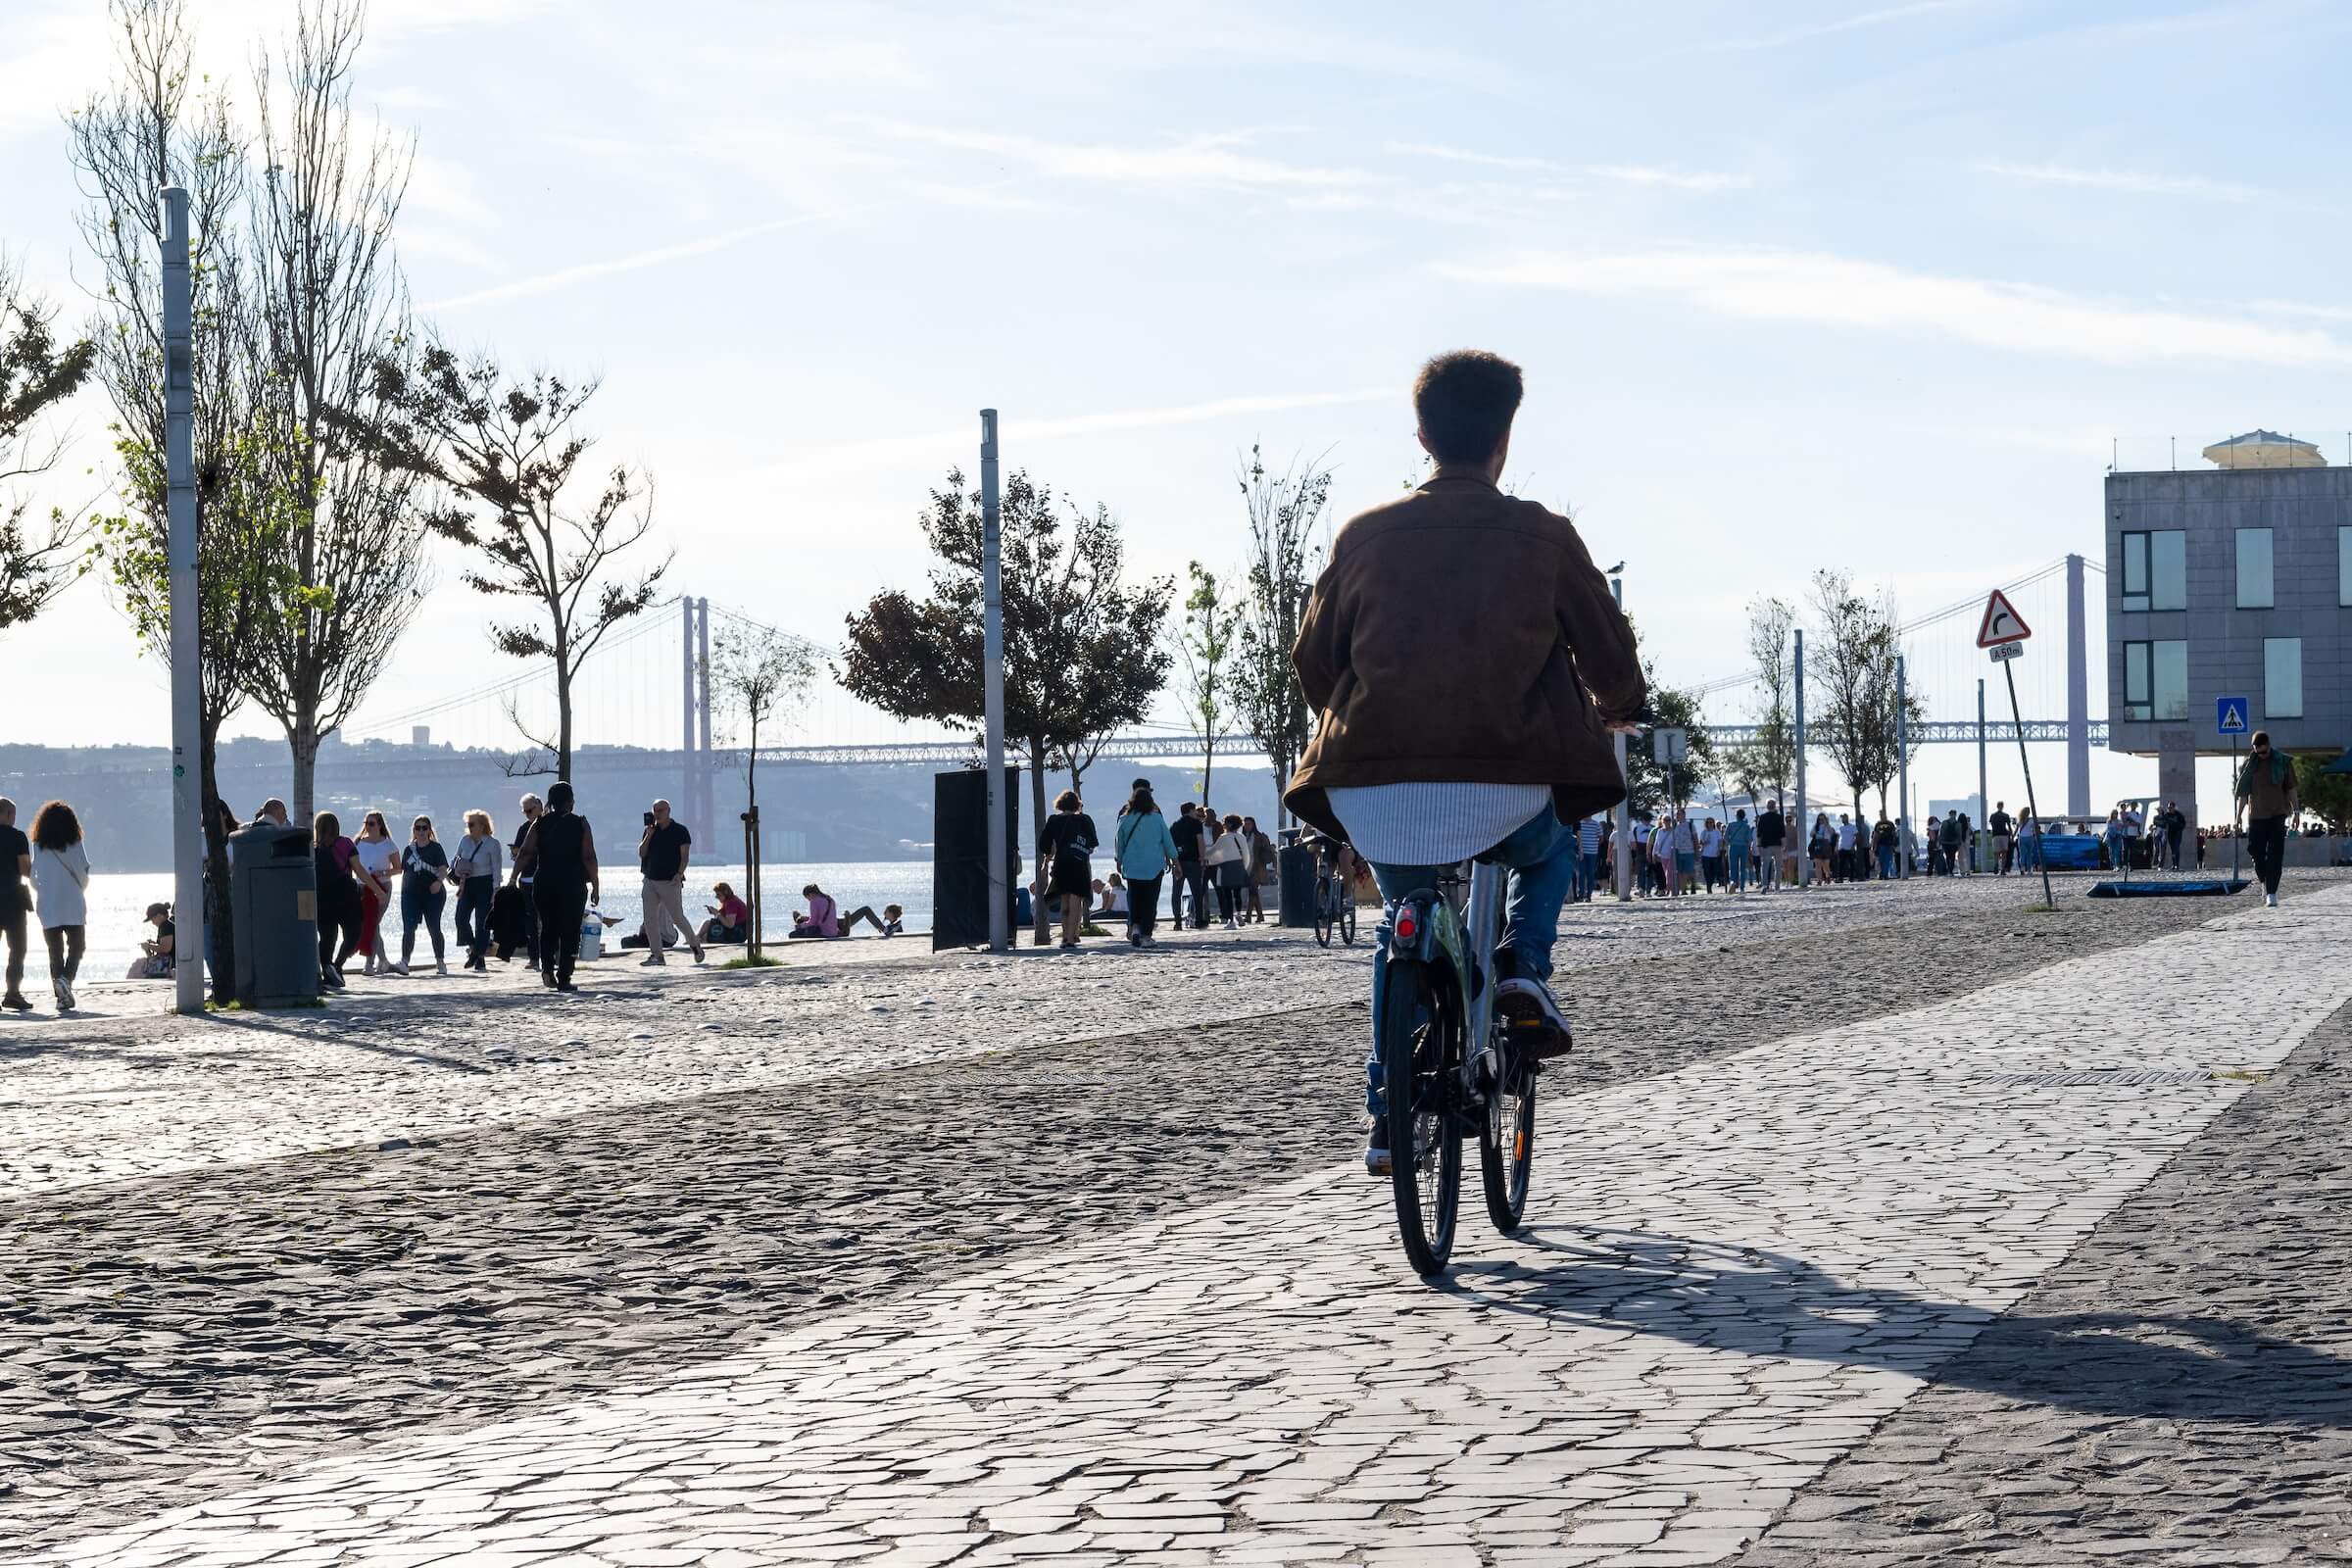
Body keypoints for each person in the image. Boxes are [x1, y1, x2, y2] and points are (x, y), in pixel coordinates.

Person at [1284, 349, 1644, 1174]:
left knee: (1397, 931)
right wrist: (1619, 703)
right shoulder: (1544, 536)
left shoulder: (1364, 535)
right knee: (1550, 850)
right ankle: (1523, 967)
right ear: (1505, 439)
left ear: (1421, 435)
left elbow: (1313, 662)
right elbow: (1609, 655)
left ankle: (1389, 1113)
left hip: (1376, 790)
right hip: (1507, 789)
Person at [513, 780, 598, 991]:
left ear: (550, 801)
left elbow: (525, 852)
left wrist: (513, 876)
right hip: (572, 883)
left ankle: (547, 969)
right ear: (571, 801)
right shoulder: (580, 824)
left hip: (545, 881)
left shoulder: (539, 823)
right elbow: (588, 856)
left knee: (548, 927)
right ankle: (565, 977)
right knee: (570, 931)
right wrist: (596, 884)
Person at [27, 801, 89, 1011]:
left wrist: (43, 891)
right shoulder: (75, 842)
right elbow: (83, 870)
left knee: (55, 952)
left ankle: (62, 995)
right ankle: (66, 982)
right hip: (72, 901)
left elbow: (33, 877)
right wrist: (81, 887)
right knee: (78, 947)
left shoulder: (38, 845)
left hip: (48, 904)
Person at [635, 799, 705, 966]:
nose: (657, 814)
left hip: (669, 881)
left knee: (677, 917)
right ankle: (657, 955)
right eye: (655, 811)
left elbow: (685, 856)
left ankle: (695, 945)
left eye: (661, 810)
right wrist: (648, 836)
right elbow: (642, 853)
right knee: (650, 919)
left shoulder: (680, 831)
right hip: (650, 880)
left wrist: (680, 873)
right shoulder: (650, 831)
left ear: (668, 811)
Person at [2235, 730, 2299, 906]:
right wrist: (2238, 816)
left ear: (2269, 746)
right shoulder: (2249, 765)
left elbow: (2292, 789)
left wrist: (2297, 812)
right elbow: (2243, 793)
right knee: (2255, 851)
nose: (2261, 755)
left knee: (2275, 855)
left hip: (2278, 814)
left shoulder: (2283, 762)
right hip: (2256, 816)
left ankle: (2272, 892)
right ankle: (2264, 881)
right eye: (2258, 752)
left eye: (2264, 752)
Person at [1115, 782, 1180, 948]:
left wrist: (1119, 860)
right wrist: (1175, 862)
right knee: (1150, 901)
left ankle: (1135, 927)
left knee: (1135, 898)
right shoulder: (1157, 819)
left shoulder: (1124, 819)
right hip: (1154, 866)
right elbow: (1168, 841)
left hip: (1132, 865)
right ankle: (1146, 935)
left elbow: (1119, 843)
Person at [1038, 789, 1100, 949]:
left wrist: (1050, 854)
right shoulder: (1085, 820)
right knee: (1075, 900)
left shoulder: (1053, 820)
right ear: (1076, 804)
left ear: (1060, 804)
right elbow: (1092, 845)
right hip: (1079, 864)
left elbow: (1044, 844)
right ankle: (1072, 937)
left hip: (1061, 864)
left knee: (1064, 901)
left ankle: (1065, 936)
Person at [396, 815, 452, 976]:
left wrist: (439, 882)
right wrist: (403, 892)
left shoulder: (436, 848)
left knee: (434, 927)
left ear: (429, 830)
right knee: (409, 928)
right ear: (413, 831)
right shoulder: (408, 849)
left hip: (432, 893)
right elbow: (404, 872)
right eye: (417, 828)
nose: (420, 831)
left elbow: (442, 869)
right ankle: (405, 961)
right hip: (411, 894)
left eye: (424, 828)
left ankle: (440, 961)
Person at [449, 810, 504, 972]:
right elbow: (455, 858)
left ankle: (478, 956)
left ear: (482, 825)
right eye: (468, 824)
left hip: (485, 883)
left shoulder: (492, 844)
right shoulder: (464, 841)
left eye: (472, 824)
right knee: (460, 918)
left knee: (482, 922)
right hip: (467, 883)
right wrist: (457, 869)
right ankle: (475, 950)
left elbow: (496, 868)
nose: (469, 827)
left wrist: (496, 889)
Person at [351, 811, 399, 975]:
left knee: (373, 922)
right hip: (362, 887)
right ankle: (383, 960)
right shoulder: (358, 843)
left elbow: (398, 868)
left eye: (371, 823)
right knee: (369, 923)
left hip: (382, 887)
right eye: (366, 823)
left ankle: (369, 963)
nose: (368, 826)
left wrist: (384, 872)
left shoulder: (388, 844)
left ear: (379, 825)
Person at [508, 793, 545, 966]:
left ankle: (550, 956)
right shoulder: (524, 828)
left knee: (548, 920)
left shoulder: (549, 825)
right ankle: (534, 958)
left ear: (540, 806)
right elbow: (519, 854)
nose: (528, 814)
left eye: (530, 810)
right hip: (527, 879)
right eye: (525, 812)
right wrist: (515, 854)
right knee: (530, 921)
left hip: (546, 878)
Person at [0, 798, 30, 1011]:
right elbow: (25, 870)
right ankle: (12, 993)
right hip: (13, 899)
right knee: (17, 948)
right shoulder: (18, 836)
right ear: (9, 814)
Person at [1205, 811, 1251, 928]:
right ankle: (1239, 914)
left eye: (1224, 823)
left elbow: (1213, 851)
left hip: (1226, 868)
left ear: (1229, 825)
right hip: (1239, 866)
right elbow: (1246, 854)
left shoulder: (1224, 837)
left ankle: (1231, 921)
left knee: (1227, 895)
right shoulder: (1241, 837)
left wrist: (1203, 855)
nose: (1223, 825)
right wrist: (1244, 867)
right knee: (1237, 894)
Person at [1169, 801, 1207, 929]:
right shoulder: (1196, 823)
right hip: (1193, 861)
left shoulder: (1175, 825)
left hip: (1178, 861)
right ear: (1191, 810)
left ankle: (1177, 921)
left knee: (1176, 892)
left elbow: (1170, 845)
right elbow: (1200, 841)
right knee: (1197, 892)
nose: (1197, 812)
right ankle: (1199, 920)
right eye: (1195, 810)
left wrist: (1173, 862)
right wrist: (1203, 858)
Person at [128, 903, 175, 979]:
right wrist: (154, 945)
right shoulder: (168, 925)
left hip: (171, 964)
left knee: (138, 965)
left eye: (153, 919)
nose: (153, 923)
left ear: (159, 916)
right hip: (171, 963)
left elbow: (165, 948)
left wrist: (149, 946)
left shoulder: (165, 926)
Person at [1243, 815, 1274, 923]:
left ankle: (1248, 916)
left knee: (1252, 891)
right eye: (1245, 824)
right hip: (1246, 867)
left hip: (1257, 867)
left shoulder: (1259, 837)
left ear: (1253, 825)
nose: (1247, 826)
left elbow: (1269, 851)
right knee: (1253, 892)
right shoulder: (1243, 837)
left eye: (1249, 824)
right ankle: (1260, 915)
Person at [1754, 799, 1785, 892]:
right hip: (1777, 845)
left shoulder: (1762, 818)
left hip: (1766, 845)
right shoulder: (1779, 817)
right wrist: (1784, 846)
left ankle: (1764, 885)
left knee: (1765, 866)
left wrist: (1758, 845)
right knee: (1778, 867)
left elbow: (1759, 834)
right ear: (1775, 806)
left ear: (1767, 806)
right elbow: (1782, 834)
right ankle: (1777, 887)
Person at [1725, 808, 1753, 894]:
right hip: (1743, 847)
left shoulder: (1730, 825)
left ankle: (1733, 882)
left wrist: (1729, 843)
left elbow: (1725, 837)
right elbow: (1749, 839)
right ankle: (1742, 887)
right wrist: (1749, 849)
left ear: (1736, 816)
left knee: (1733, 867)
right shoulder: (1746, 826)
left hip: (1733, 847)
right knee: (1743, 868)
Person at [1809, 812, 1836, 886]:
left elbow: (1832, 833)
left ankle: (1827, 876)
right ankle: (1819, 880)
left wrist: (1827, 824)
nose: (1821, 821)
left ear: (1825, 819)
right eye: (1819, 819)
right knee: (1818, 864)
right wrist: (1815, 832)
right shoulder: (1816, 826)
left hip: (1826, 845)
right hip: (1817, 845)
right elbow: (1811, 834)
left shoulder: (1828, 826)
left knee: (1826, 865)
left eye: (1822, 819)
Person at [1987, 802, 2013, 875]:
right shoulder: (2005, 815)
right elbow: (2009, 826)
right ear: (2002, 806)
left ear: (1997, 806)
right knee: (2004, 852)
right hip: (2004, 835)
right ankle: (2003, 869)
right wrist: (2011, 835)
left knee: (1996, 852)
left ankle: (1996, 864)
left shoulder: (1993, 816)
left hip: (1995, 835)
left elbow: (1992, 825)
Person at [1874, 814, 1898, 881]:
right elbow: (1875, 835)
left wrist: (1894, 843)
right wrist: (1874, 846)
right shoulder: (1878, 824)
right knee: (1881, 860)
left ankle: (1885, 874)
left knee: (1887, 861)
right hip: (1881, 845)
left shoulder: (1890, 824)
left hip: (1888, 845)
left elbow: (1894, 834)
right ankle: (1883, 874)